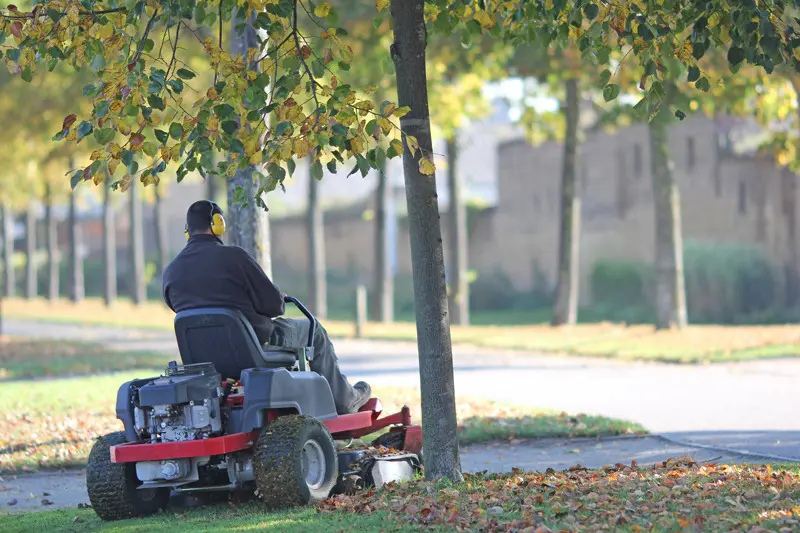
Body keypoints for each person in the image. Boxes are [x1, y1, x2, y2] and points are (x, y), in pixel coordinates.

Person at [162, 199, 371, 415]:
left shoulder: (171, 271)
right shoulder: (235, 257)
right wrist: (278, 298)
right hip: (255, 345)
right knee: (313, 330)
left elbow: (182, 310)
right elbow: (274, 307)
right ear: (218, 223)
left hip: (204, 357)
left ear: (188, 230)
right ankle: (344, 401)